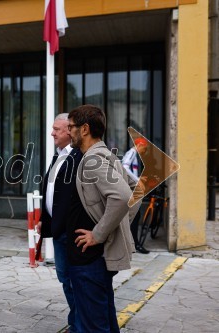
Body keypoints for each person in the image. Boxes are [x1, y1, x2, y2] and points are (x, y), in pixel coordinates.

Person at [67, 105, 141, 332]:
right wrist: (117, 225)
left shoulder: (93, 159)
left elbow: (124, 196)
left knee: (93, 326)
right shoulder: (106, 155)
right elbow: (136, 191)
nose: (69, 132)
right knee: (104, 323)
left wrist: (99, 233)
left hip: (90, 259)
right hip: (94, 258)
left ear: (85, 129)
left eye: (71, 127)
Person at [37, 113, 82, 333]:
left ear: (70, 130)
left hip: (72, 232)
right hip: (58, 230)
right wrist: (44, 221)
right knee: (65, 278)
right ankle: (77, 322)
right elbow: (52, 193)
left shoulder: (79, 156)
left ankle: (79, 324)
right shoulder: (59, 155)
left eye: (57, 129)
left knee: (75, 281)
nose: (52, 133)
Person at [122, 137, 150, 254]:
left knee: (135, 216)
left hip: (131, 189)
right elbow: (124, 166)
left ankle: (133, 243)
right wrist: (137, 180)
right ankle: (134, 244)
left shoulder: (133, 154)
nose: (145, 151)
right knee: (134, 216)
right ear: (140, 145)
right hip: (131, 189)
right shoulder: (132, 153)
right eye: (145, 148)